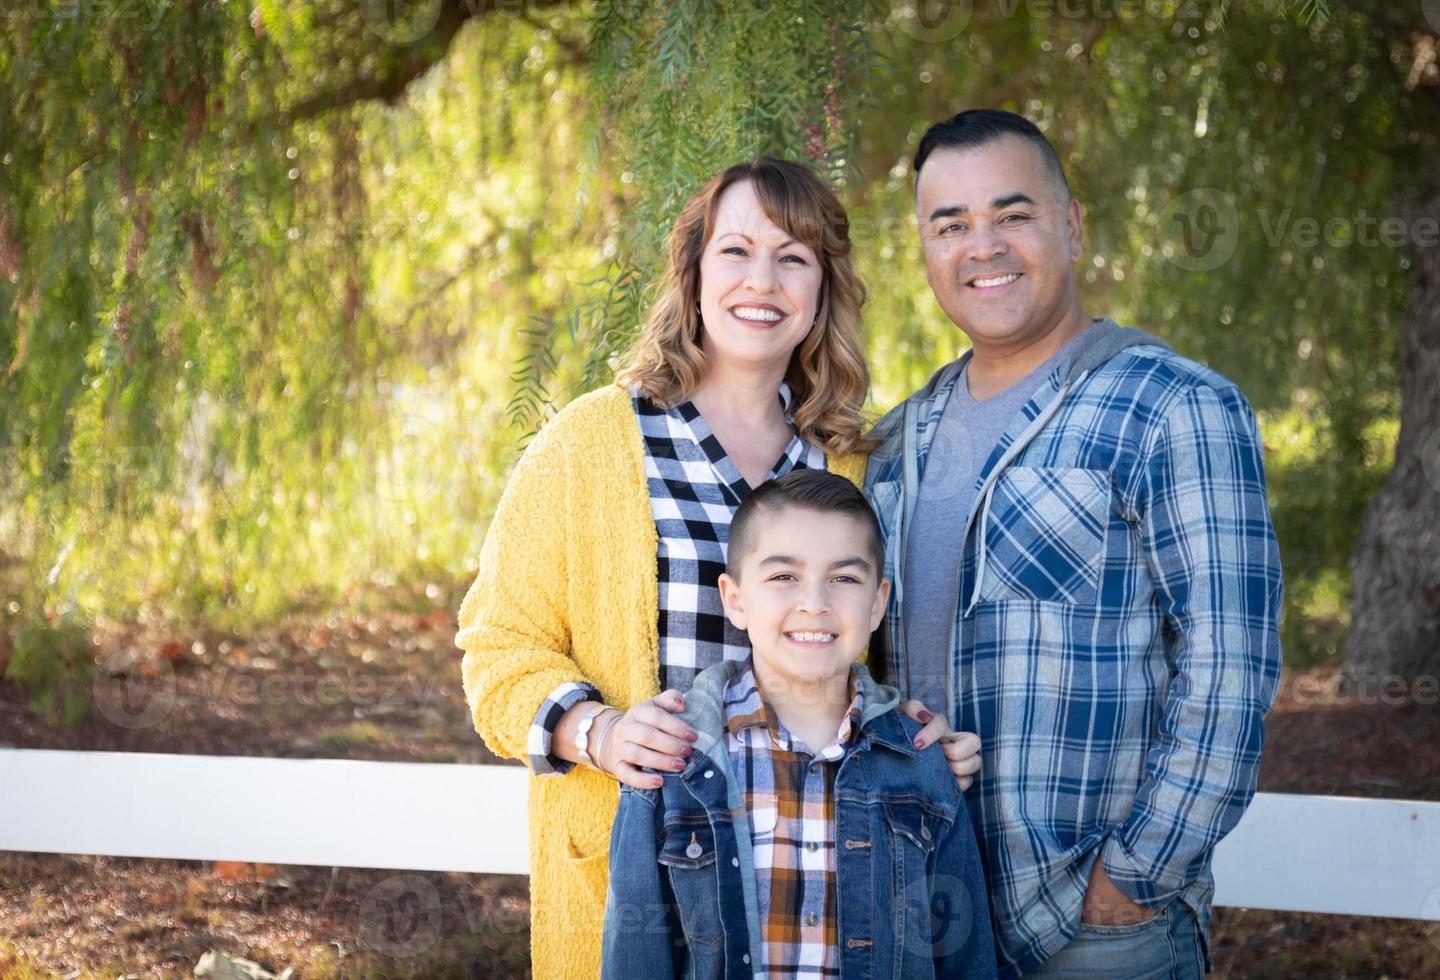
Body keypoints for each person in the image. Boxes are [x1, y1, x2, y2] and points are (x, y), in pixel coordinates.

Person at [456, 157, 981, 979]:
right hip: (644, 894)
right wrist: (598, 732)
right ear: (694, 272)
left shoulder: (848, 465)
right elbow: (497, 652)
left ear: (821, 290)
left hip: (824, 898)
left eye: (793, 257)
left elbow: (854, 664)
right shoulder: (589, 445)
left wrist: (915, 747)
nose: (761, 281)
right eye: (735, 251)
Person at [865, 109, 1284, 978]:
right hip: (924, 914)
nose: (983, 246)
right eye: (951, 225)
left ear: (1073, 226)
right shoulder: (897, 440)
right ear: (926, 249)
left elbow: (1231, 672)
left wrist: (1132, 879)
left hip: (1096, 934)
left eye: (1012, 215)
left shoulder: (1174, 407)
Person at [601, 468, 996, 979]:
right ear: (735, 599)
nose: (815, 602)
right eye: (784, 576)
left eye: (845, 578)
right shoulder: (672, 756)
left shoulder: (920, 763)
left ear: (878, 603)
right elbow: (636, 959)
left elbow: (967, 959)